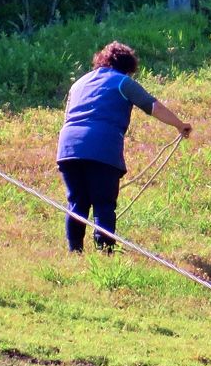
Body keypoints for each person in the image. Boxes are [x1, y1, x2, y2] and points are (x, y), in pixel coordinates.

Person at [56, 41, 192, 252]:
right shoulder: (122, 82)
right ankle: (105, 253)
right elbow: (152, 106)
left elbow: (68, 117)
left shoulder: (78, 84)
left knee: (77, 202)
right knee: (103, 202)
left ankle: (75, 252)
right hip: (101, 147)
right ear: (127, 67)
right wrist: (179, 125)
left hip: (68, 148)